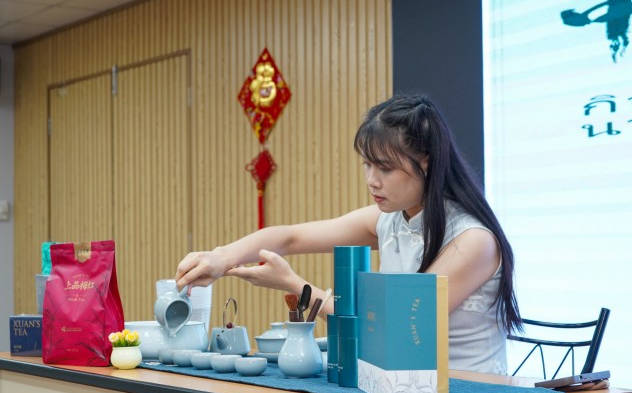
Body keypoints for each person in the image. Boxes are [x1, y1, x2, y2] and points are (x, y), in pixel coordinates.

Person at [176, 93, 521, 375]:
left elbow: (391, 331)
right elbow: (290, 238)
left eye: (385, 168)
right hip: (403, 387)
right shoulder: (390, 220)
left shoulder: (473, 241)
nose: (372, 180)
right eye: (367, 165)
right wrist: (222, 257)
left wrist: (296, 286)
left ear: (426, 162)